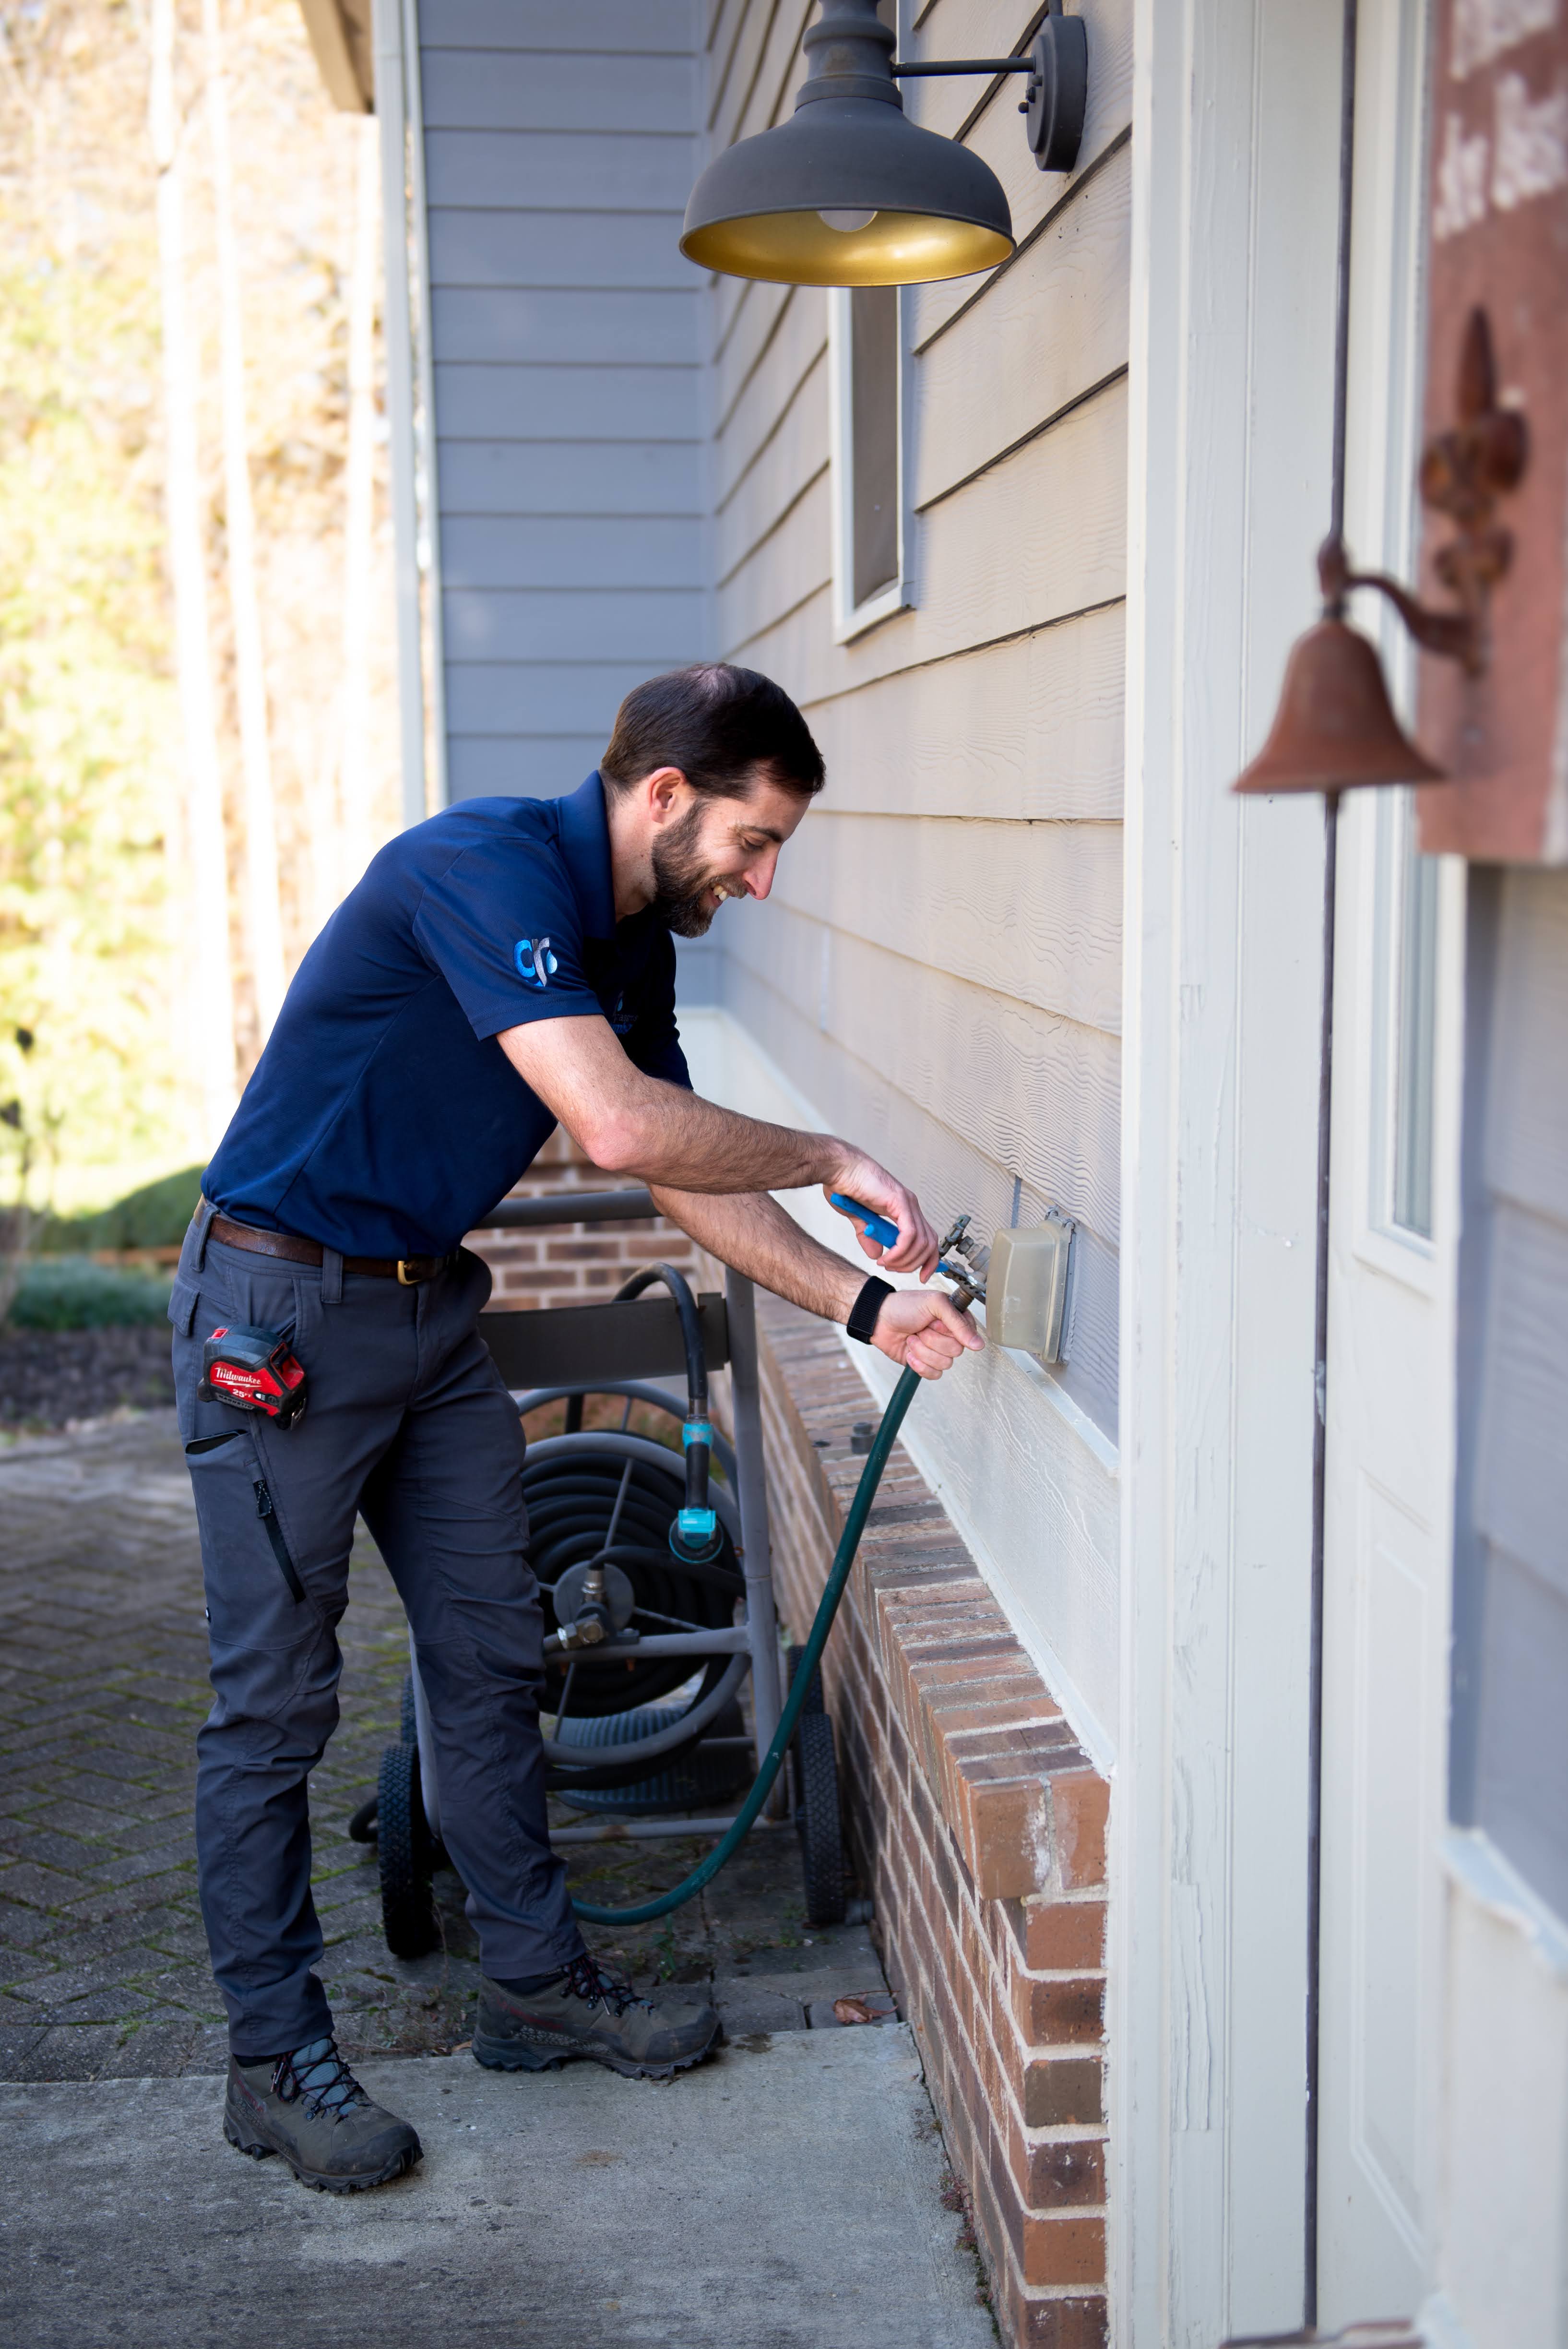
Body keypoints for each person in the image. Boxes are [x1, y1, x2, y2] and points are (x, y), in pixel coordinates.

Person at [173, 662, 983, 2193]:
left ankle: (535, 1989)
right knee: (274, 1707)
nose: (756, 880)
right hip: (276, 1315)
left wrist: (863, 1310)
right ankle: (271, 2060)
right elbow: (611, 1122)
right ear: (664, 795)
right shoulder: (478, 867)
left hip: (426, 1318)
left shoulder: (627, 940)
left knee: (493, 1655)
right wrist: (826, 1148)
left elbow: (674, 1170)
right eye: (753, 843)